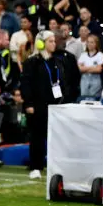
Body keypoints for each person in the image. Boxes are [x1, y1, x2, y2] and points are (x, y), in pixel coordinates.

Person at [21, 31, 67, 179]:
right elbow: (26, 84)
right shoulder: (32, 62)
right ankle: (36, 166)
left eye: (54, 41)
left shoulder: (56, 61)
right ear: (41, 43)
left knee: (55, 137)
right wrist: (28, 103)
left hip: (55, 105)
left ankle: (54, 166)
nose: (54, 44)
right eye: (50, 41)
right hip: (37, 105)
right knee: (37, 137)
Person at [78, 35, 103, 100]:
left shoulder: (100, 55)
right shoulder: (83, 55)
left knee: (93, 100)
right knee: (83, 99)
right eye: (88, 42)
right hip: (84, 80)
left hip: (96, 80)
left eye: (92, 42)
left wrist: (85, 68)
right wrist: (93, 67)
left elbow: (99, 69)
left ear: (96, 44)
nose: (89, 44)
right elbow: (79, 69)